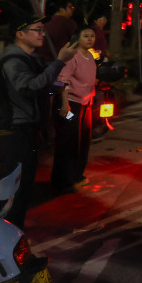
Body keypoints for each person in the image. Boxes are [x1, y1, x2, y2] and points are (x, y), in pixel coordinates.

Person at [0, 13, 78, 228]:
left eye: (43, 29)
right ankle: (9, 244)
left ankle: (16, 240)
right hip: (15, 132)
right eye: (37, 30)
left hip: (29, 130)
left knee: (25, 190)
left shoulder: (31, 58)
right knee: (15, 193)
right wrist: (60, 61)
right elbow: (29, 87)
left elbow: (41, 85)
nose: (42, 34)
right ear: (20, 34)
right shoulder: (12, 61)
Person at [51, 24, 98, 191]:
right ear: (77, 38)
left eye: (92, 35)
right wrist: (64, 104)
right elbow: (61, 81)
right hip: (71, 106)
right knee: (69, 141)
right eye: (86, 35)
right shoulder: (72, 56)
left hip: (85, 105)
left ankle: (78, 175)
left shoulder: (90, 56)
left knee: (84, 140)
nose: (90, 38)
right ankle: (65, 180)